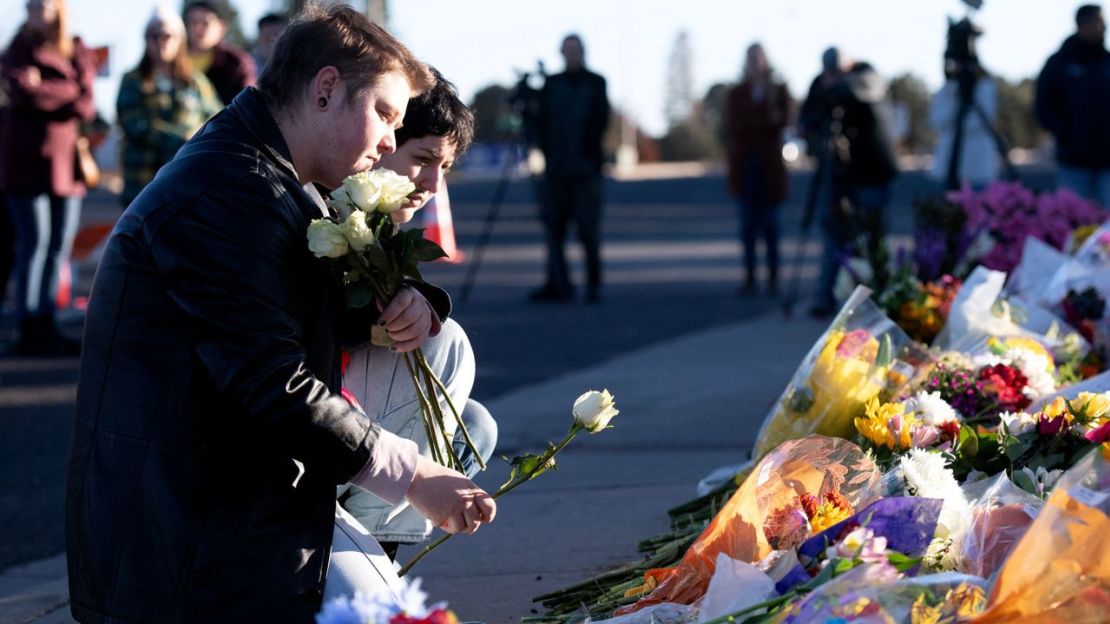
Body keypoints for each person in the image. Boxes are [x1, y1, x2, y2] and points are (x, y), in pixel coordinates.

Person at [66, 6, 495, 621]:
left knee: (445, 350)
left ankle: (360, 541)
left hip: (239, 483)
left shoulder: (268, 170)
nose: (390, 144)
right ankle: (357, 561)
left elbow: (306, 325)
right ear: (325, 90)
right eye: (384, 115)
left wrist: (415, 303)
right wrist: (416, 476)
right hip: (187, 543)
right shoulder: (230, 194)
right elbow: (272, 382)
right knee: (383, 614)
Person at [331, 69, 498, 574]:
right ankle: (362, 563)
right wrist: (379, 318)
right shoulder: (326, 206)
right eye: (422, 159)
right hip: (299, 441)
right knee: (446, 345)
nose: (432, 184)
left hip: (349, 448)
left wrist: (421, 299)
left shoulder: (379, 222)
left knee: (476, 428)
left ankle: (374, 557)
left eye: (445, 167)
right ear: (382, 140)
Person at [1, 0, 94, 356]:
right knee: (32, 245)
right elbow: (23, 91)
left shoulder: (76, 47)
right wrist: (67, 87)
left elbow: (86, 104)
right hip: (25, 163)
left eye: (43, 5)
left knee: (57, 247)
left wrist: (47, 86)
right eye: (31, 6)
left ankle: (47, 324)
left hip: (65, 165)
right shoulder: (17, 47)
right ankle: (28, 327)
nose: (36, 11)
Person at [810, 61, 899, 317]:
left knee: (873, 238)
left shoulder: (867, 76)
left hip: (872, 172)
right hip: (842, 175)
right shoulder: (825, 88)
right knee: (834, 233)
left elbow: (868, 90)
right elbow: (809, 118)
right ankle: (826, 297)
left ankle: (879, 299)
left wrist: (839, 87)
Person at [115, 6, 221, 208]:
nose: (161, 41)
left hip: (188, 184)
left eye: (167, 35)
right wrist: (184, 141)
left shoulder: (197, 83)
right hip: (142, 186)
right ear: (146, 40)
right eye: (154, 35)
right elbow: (135, 125)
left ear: (180, 39)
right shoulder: (132, 81)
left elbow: (217, 121)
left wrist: (196, 145)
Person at [531, 33, 609, 304]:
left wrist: (588, 160)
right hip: (557, 171)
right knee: (555, 230)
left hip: (586, 171)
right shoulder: (551, 85)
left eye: (575, 50)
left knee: (589, 231)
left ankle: (594, 285)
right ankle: (559, 284)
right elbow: (540, 124)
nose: (571, 55)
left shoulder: (596, 83)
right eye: (567, 51)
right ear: (561, 54)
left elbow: (600, 123)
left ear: (583, 52)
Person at [724, 43, 791, 295]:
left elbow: (782, 121)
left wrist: (764, 112)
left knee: (771, 226)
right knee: (748, 226)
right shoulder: (737, 93)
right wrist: (762, 123)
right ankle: (750, 276)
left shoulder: (777, 91)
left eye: (758, 58)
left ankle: (774, 277)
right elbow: (735, 125)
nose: (755, 64)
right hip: (746, 168)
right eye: (751, 59)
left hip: (770, 170)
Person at [1035, 4, 1110, 207]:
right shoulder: (1059, 63)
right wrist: (1065, 134)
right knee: (1073, 221)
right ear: (1082, 25)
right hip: (1073, 162)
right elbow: (1043, 106)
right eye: (1100, 22)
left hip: (1107, 162)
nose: (1104, 27)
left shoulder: (1107, 62)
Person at [929, 65, 1000, 189]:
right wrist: (955, 99)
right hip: (950, 165)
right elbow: (937, 121)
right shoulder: (947, 90)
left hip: (979, 167)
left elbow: (983, 120)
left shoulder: (984, 88)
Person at [184, 0, 256, 106]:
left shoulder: (236, 63)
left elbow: (247, 105)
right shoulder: (173, 60)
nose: (198, 28)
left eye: (205, 23)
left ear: (222, 27)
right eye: (193, 22)